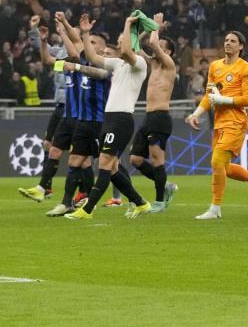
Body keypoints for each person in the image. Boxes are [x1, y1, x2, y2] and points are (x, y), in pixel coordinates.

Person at [66, 14, 152, 219]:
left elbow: (127, 51)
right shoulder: (117, 65)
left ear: (130, 44)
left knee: (104, 163)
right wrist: (85, 33)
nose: (119, 44)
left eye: (123, 41)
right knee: (112, 168)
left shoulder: (138, 62)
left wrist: (129, 22)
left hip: (122, 120)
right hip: (110, 119)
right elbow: (93, 58)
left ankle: (86, 210)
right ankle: (141, 203)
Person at [186, 31, 248, 220]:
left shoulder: (246, 68)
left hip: (236, 122)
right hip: (219, 122)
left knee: (216, 161)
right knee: (224, 169)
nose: (228, 43)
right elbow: (210, 97)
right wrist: (196, 114)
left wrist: (223, 100)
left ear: (241, 46)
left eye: (233, 41)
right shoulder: (215, 66)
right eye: (226, 40)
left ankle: (215, 209)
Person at [44, 12, 109, 217]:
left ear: (102, 48)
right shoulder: (84, 60)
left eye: (93, 42)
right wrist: (63, 26)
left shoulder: (105, 63)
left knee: (111, 167)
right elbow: (75, 43)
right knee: (75, 162)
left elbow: (80, 56)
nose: (87, 43)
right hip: (83, 121)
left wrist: (77, 64)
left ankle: (134, 199)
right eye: (88, 41)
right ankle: (67, 203)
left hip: (100, 121)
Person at [128, 13, 179, 212]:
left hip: (160, 118)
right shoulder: (153, 64)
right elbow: (134, 46)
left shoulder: (168, 65)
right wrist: (147, 30)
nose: (156, 48)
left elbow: (154, 45)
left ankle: (159, 202)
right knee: (136, 159)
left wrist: (156, 27)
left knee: (157, 159)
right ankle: (165, 185)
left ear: (169, 53)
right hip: (148, 118)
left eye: (162, 48)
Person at [18, 16, 68, 202]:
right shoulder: (60, 51)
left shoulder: (79, 53)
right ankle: (46, 187)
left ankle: (83, 192)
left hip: (73, 107)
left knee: (79, 154)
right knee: (48, 145)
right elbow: (42, 49)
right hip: (59, 106)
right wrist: (34, 31)